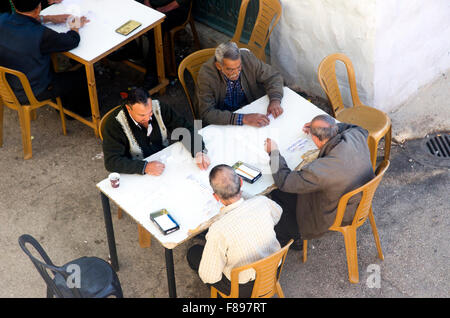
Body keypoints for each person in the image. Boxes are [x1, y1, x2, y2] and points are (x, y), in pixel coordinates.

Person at [264, 114, 375, 248]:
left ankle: (295, 236)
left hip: (340, 213)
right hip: (361, 200)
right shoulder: (356, 136)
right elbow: (358, 128)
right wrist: (328, 129)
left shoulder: (319, 171)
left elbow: (285, 181)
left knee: (277, 194)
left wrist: (274, 152)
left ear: (316, 139)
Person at [186, 164, 282, 297]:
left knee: (193, 253)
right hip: (274, 273)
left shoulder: (218, 230)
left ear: (216, 197)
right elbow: (277, 215)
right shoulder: (262, 202)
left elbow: (209, 276)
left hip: (243, 290)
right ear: (241, 182)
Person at [0, 0, 91, 117]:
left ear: (14, 5)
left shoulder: (2, 20)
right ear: (39, 7)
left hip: (6, 85)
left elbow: (22, 23)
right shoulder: (41, 34)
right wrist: (75, 27)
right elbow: (72, 41)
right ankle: (76, 113)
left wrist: (47, 18)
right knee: (82, 77)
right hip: (32, 91)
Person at [102, 87, 210, 175]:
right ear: (129, 109)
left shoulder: (158, 107)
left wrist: (198, 150)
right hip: (135, 170)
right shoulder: (114, 123)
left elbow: (184, 128)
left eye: (150, 112)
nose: (148, 118)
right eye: (142, 115)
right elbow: (112, 161)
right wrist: (144, 167)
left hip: (163, 161)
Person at [196, 41, 284, 127]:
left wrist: (275, 100)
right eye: (230, 69)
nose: (236, 73)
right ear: (219, 66)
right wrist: (243, 118)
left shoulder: (247, 58)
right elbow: (206, 113)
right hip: (224, 119)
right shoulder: (206, 76)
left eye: (239, 67)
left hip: (250, 107)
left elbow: (273, 76)